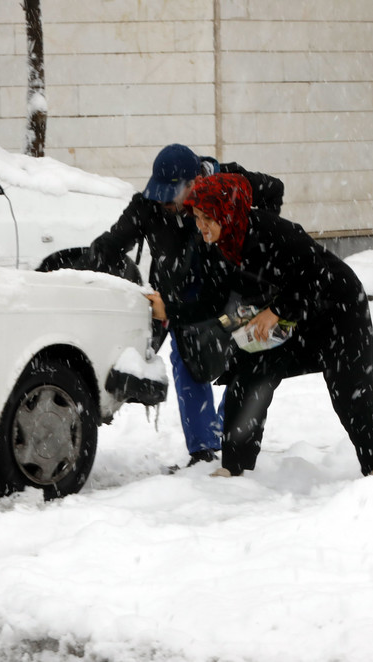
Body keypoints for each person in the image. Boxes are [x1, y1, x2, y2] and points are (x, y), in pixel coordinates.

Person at [183, 173, 373, 478]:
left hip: (338, 309)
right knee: (248, 379)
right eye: (197, 217)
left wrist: (277, 310)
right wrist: (171, 309)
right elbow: (213, 299)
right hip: (287, 318)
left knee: (350, 392)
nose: (201, 225)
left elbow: (317, 275)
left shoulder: (271, 232)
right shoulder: (217, 246)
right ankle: (233, 468)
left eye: (207, 218)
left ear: (226, 214)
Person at [85, 144, 283, 468]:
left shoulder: (228, 182)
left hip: (233, 290)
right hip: (181, 298)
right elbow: (110, 244)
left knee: (247, 356)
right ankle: (203, 450)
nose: (163, 203)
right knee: (189, 361)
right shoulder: (148, 206)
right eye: (158, 195)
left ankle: (230, 429)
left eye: (170, 196)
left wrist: (254, 239)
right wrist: (77, 274)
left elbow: (274, 190)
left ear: (193, 183)